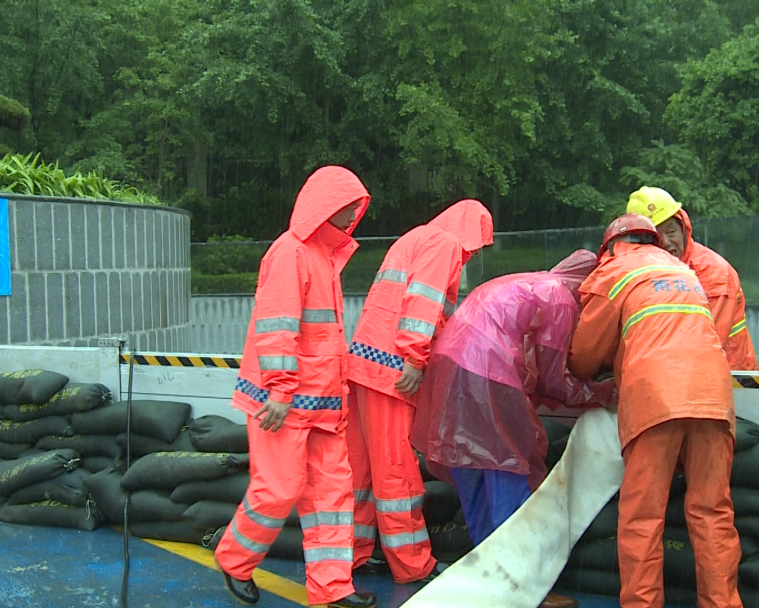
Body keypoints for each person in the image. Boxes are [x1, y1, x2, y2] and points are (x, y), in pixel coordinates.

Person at [411, 249, 618, 608]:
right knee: (510, 471)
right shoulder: (562, 299)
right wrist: (603, 392)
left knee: (472, 471)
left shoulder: (527, 282)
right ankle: (526, 586)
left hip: (449, 365)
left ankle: (488, 576)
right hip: (489, 370)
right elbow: (555, 378)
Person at [209, 166, 376, 608]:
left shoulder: (324, 256)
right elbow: (276, 329)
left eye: (357, 207)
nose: (355, 214)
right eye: (348, 205)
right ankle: (234, 559)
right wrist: (280, 391)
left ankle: (333, 587)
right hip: (281, 403)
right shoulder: (292, 254)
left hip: (322, 404)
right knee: (278, 489)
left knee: (331, 498)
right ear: (326, 206)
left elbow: (317, 337)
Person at [567, 213, 742, 608]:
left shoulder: (614, 270)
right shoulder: (683, 271)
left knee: (643, 518)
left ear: (610, 247)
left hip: (655, 399)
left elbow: (583, 356)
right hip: (713, 398)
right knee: (713, 513)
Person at [345, 200, 493, 584]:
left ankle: (352, 555)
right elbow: (423, 301)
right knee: (396, 472)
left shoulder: (417, 236)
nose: (473, 253)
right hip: (393, 370)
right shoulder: (444, 244)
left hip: (366, 364)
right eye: (476, 245)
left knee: (360, 471)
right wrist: (414, 358)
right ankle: (412, 564)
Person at [626, 186, 759, 370]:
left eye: (671, 232)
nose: (665, 242)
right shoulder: (640, 274)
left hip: (732, 381)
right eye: (655, 237)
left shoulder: (713, 274)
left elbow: (706, 344)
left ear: (683, 229)